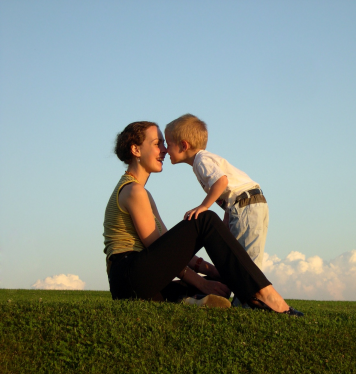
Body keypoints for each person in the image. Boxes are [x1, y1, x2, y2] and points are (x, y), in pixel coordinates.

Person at [103, 120, 303, 316]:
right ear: (135, 150)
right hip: (129, 276)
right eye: (158, 144)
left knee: (203, 284)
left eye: (165, 144)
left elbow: (167, 248)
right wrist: (202, 281)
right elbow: (156, 246)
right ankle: (264, 294)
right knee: (204, 219)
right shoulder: (133, 191)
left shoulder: (141, 193)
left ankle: (190, 300)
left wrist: (213, 272)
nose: (164, 150)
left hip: (134, 283)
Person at [164, 114, 269, 273]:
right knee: (244, 256)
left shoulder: (201, 161)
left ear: (184, 145)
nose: (165, 149)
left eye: (168, 144)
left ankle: (252, 296)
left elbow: (222, 182)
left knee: (246, 260)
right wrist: (226, 221)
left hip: (246, 205)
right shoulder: (203, 160)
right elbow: (229, 192)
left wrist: (203, 206)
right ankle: (246, 294)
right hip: (248, 203)